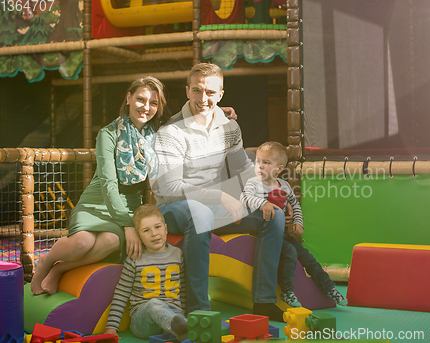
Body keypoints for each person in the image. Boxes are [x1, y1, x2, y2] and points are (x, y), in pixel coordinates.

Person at [151, 62, 285, 322]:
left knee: (274, 216)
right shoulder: (171, 131)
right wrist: (220, 196)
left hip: (216, 207)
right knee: (200, 214)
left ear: (220, 95)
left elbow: (243, 169)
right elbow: (169, 188)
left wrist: (265, 196)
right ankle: (199, 309)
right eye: (197, 91)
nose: (204, 98)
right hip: (174, 209)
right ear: (187, 91)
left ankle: (264, 301)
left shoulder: (229, 127)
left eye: (210, 92)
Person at [30, 76, 167, 295]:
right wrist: (128, 224)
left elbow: (187, 119)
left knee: (112, 241)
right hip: (97, 203)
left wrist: (217, 112)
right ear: (129, 98)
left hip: (129, 206)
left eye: (153, 103)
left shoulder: (155, 137)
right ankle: (46, 261)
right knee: (82, 243)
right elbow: (109, 185)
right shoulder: (108, 134)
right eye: (141, 99)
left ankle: (60, 269)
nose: (146, 107)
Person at [240, 141, 348, 308]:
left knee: (307, 257)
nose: (260, 166)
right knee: (289, 253)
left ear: (279, 168)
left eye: (266, 163)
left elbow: (295, 205)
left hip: (282, 233)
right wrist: (263, 204)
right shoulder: (253, 184)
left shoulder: (285, 186)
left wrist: (298, 222)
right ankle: (288, 292)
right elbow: (245, 199)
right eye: (258, 161)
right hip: (263, 233)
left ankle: (329, 288)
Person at [104, 204, 188, 341]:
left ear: (165, 229)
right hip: (143, 321)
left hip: (173, 313)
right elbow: (121, 293)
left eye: (158, 227)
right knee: (154, 304)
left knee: (175, 317)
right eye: (146, 230)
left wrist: (183, 314)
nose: (154, 233)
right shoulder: (135, 258)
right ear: (138, 236)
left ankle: (182, 329)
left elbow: (182, 289)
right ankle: (181, 329)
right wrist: (111, 327)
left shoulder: (177, 254)